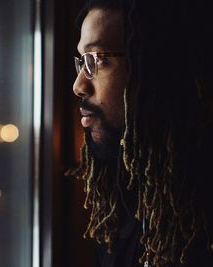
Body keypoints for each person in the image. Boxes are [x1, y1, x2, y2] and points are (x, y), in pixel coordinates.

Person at [70, 0, 213, 266]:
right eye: (82, 61)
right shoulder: (122, 200)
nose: (79, 85)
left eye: (97, 59)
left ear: (154, 65)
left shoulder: (201, 206)